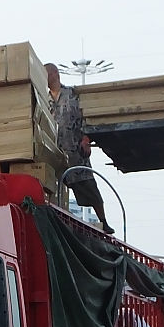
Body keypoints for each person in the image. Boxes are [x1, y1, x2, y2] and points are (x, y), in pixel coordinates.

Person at [45, 63, 114, 235]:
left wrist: (86, 139)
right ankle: (57, 220)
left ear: (55, 74)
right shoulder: (43, 98)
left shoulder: (72, 95)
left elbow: (86, 117)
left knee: (89, 186)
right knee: (55, 188)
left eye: (46, 74)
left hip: (75, 150)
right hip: (54, 151)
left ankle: (103, 221)